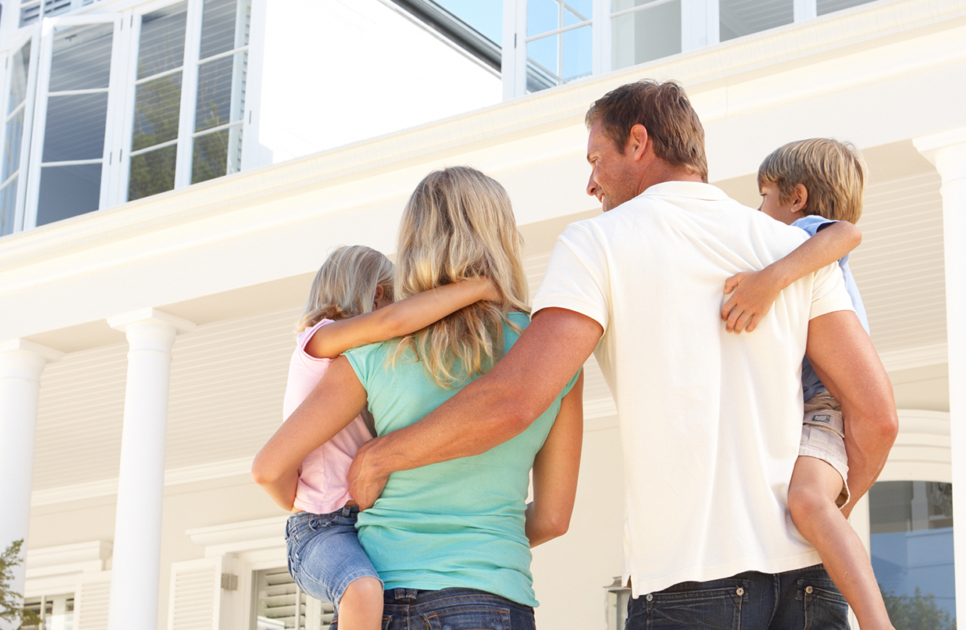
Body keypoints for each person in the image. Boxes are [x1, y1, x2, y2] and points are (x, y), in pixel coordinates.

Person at [348, 81, 899, 630]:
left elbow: (516, 399)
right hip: (809, 584)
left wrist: (380, 456)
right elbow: (877, 417)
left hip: (689, 584)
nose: (591, 184)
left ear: (639, 142)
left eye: (596, 159)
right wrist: (828, 513)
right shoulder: (791, 251)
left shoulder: (598, 244)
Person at [271, 166, 584, 630]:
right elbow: (554, 518)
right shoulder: (551, 354)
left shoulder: (369, 351)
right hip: (499, 599)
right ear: (502, 239)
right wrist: (480, 541)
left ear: (414, 245)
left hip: (389, 597)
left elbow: (275, 466)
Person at [251, 245, 503, 629]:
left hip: (362, 520)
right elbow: (391, 323)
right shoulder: (317, 342)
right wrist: (480, 287)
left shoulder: (372, 367)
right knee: (362, 589)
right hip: (322, 526)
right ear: (378, 295)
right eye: (397, 297)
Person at [720, 138, 894, 630]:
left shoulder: (805, 237)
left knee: (809, 501)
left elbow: (847, 234)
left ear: (796, 198)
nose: (759, 209)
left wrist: (769, 280)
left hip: (827, 401)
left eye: (765, 195)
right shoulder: (801, 248)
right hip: (812, 403)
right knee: (807, 509)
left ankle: (878, 623)